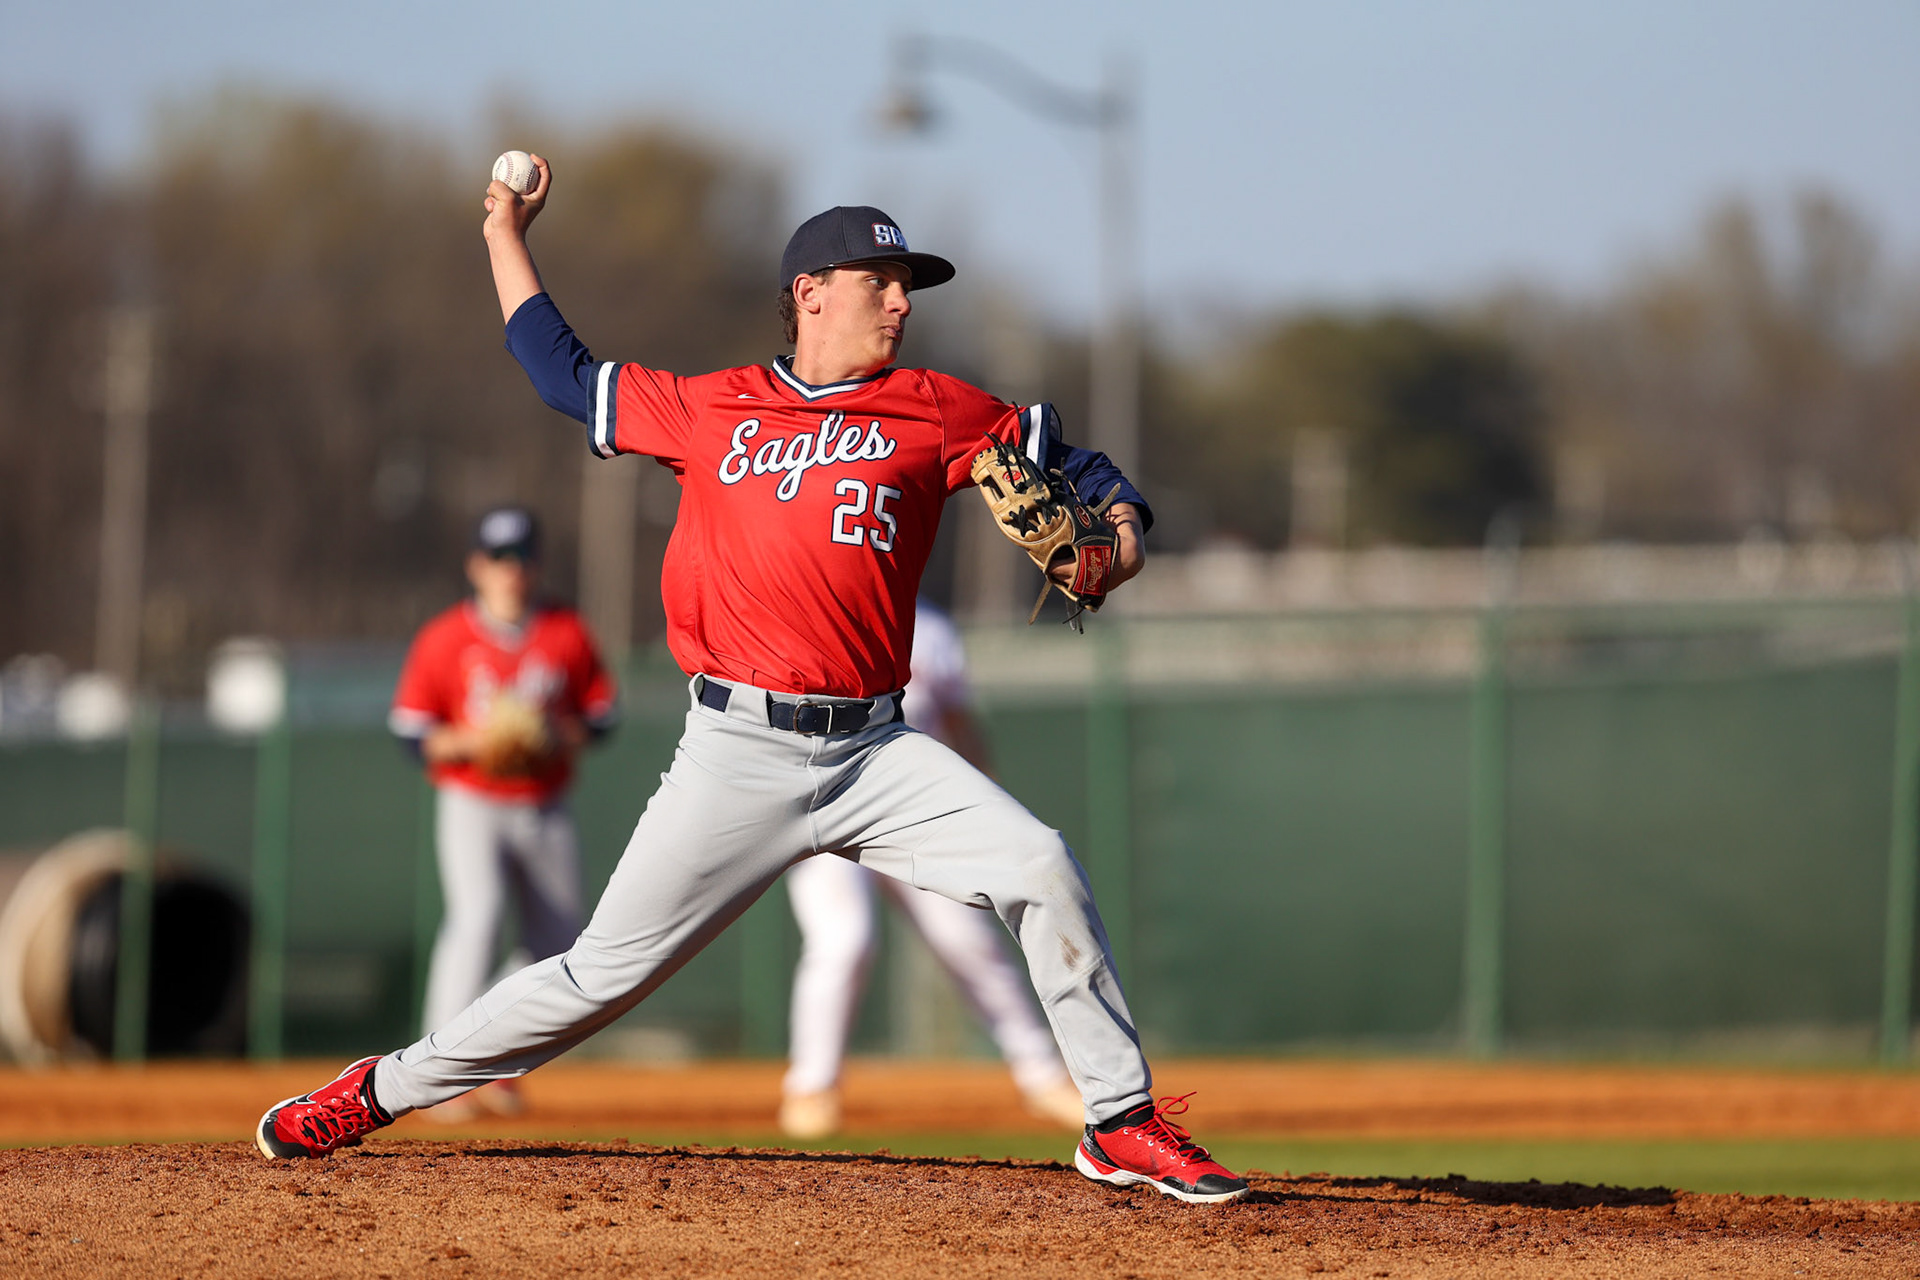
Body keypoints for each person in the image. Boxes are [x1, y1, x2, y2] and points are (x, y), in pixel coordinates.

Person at [256, 154, 1249, 1205]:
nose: (904, 301)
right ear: (811, 292)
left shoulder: (939, 409)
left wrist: (1125, 529)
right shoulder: (712, 408)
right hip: (735, 748)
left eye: (909, 284)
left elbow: (1080, 462)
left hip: (876, 749)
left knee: (1041, 863)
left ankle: (1119, 1121)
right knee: (595, 978)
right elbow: (561, 372)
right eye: (885, 281)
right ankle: (377, 1089)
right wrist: (508, 233)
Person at [779, 597, 1082, 1138]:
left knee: (966, 939)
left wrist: (986, 802)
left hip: (913, 806)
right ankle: (812, 1087)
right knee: (844, 940)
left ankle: (1041, 1076)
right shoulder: (812, 609)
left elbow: (959, 722)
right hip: (823, 801)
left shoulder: (931, 628)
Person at [387, 506, 617, 1120]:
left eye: (520, 557)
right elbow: (411, 732)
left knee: (561, 942)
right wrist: (472, 740)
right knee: (479, 915)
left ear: (537, 565)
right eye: (497, 558)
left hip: (544, 803)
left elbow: (601, 719)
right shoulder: (445, 638)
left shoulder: (566, 631)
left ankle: (491, 1047)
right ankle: (432, 1074)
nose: (509, 570)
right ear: (476, 566)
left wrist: (552, 734)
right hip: (472, 799)